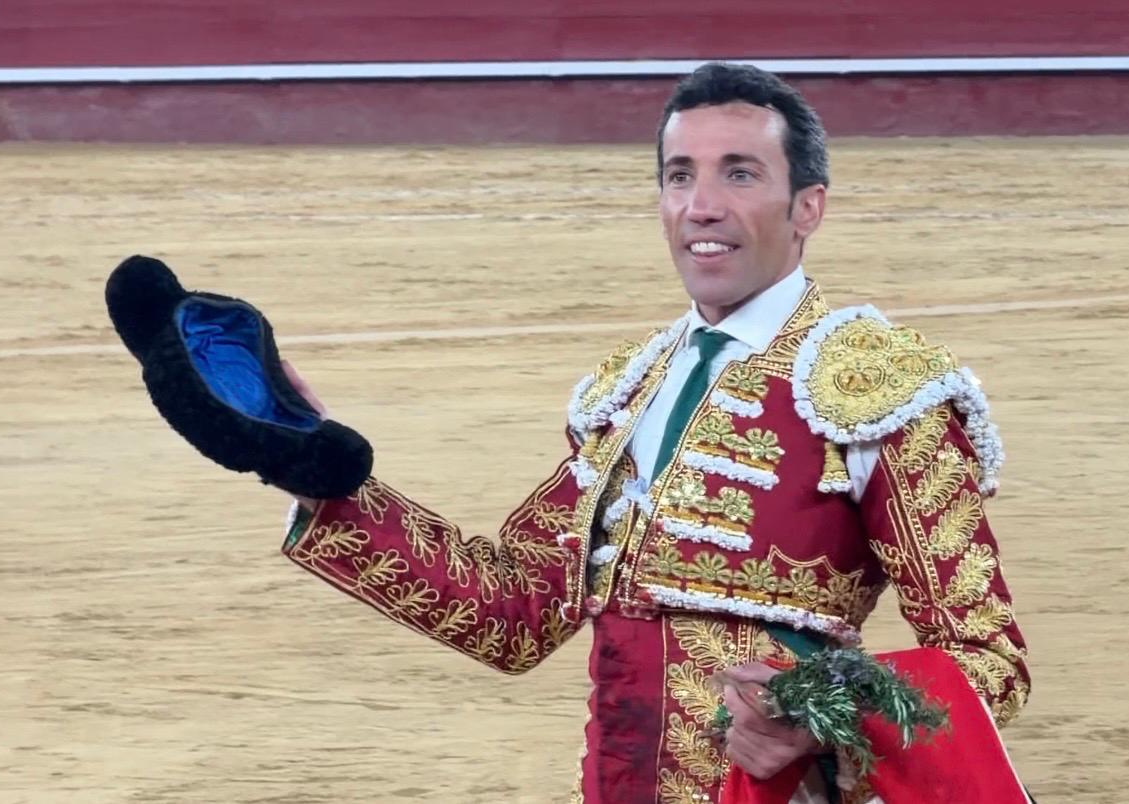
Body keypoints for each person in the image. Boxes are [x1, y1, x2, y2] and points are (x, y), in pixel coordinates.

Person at [279, 62, 1031, 804]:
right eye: (679, 176)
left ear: (808, 208)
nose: (701, 205)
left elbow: (987, 661)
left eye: (739, 174)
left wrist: (826, 721)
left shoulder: (874, 390)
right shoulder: (627, 392)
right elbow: (514, 613)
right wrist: (317, 474)